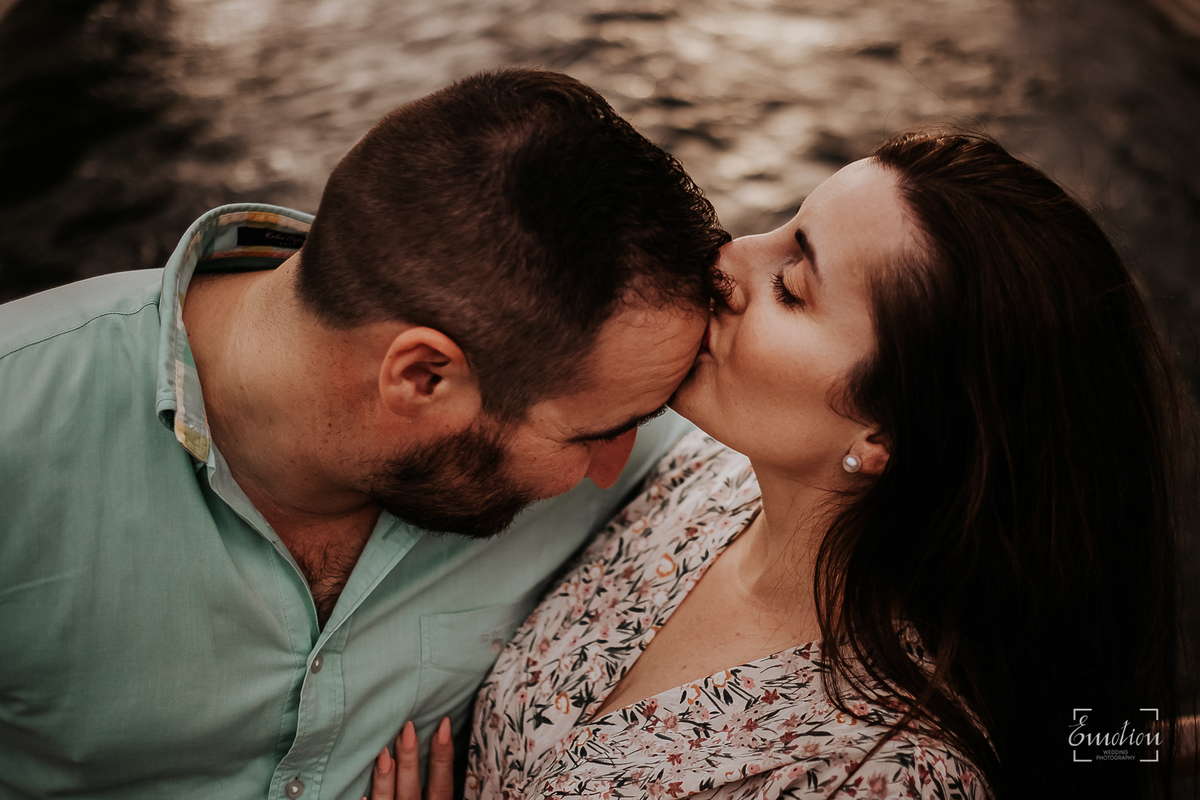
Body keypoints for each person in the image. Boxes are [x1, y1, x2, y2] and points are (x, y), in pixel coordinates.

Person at [376, 130, 1194, 799]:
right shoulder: (697, 478)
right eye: (781, 222)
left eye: (792, 286)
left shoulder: (884, 777)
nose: (727, 258)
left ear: (884, 436)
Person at [0, 69, 730, 799]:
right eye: (593, 435)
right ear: (421, 378)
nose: (618, 468)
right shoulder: (17, 424)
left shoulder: (612, 423)